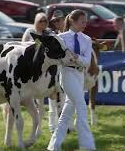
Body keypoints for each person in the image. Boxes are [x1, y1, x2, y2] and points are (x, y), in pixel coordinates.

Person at [47, 9, 96, 151]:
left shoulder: (86, 39)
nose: (85, 24)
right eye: (82, 22)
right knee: (81, 105)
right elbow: (57, 58)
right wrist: (71, 59)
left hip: (80, 76)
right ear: (73, 22)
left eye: (86, 22)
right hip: (67, 74)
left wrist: (76, 58)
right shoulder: (61, 38)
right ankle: (88, 145)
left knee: (67, 112)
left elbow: (87, 62)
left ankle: (54, 146)